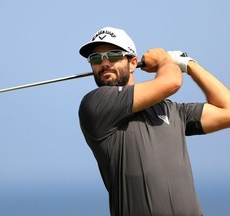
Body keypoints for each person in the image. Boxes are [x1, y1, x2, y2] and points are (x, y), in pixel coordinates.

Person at [78, 26, 230, 216]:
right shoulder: (96, 103)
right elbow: (172, 82)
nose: (104, 63)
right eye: (96, 58)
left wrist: (190, 64)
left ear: (133, 63)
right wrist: (165, 61)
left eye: (114, 55)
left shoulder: (171, 109)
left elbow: (228, 111)